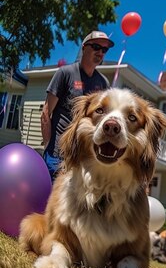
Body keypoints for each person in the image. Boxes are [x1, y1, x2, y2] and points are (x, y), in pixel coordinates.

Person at [41, 31, 113, 180]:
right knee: (51, 200)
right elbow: (46, 113)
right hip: (57, 155)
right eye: (96, 47)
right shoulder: (65, 73)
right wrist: (48, 146)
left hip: (83, 159)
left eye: (104, 50)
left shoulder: (103, 83)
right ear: (84, 47)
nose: (100, 52)